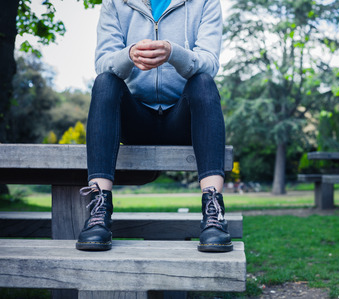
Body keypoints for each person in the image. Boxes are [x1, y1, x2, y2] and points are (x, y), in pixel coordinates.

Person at [75, 0, 232, 253]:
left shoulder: (205, 2)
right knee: (105, 82)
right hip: (136, 120)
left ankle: (213, 213)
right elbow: (102, 62)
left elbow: (210, 63)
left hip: (182, 121)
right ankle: (99, 212)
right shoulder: (116, 3)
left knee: (203, 82)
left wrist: (174, 53)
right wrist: (128, 55)